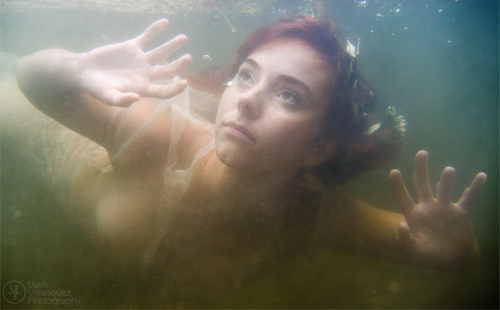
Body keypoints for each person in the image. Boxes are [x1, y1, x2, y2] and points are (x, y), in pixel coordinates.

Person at [12, 15, 486, 285]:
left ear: (320, 147)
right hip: (42, 134)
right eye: (246, 75)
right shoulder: (156, 135)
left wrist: (457, 251)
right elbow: (32, 81)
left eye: (289, 95)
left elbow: (436, 251)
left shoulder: (317, 216)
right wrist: (73, 69)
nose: (247, 99)